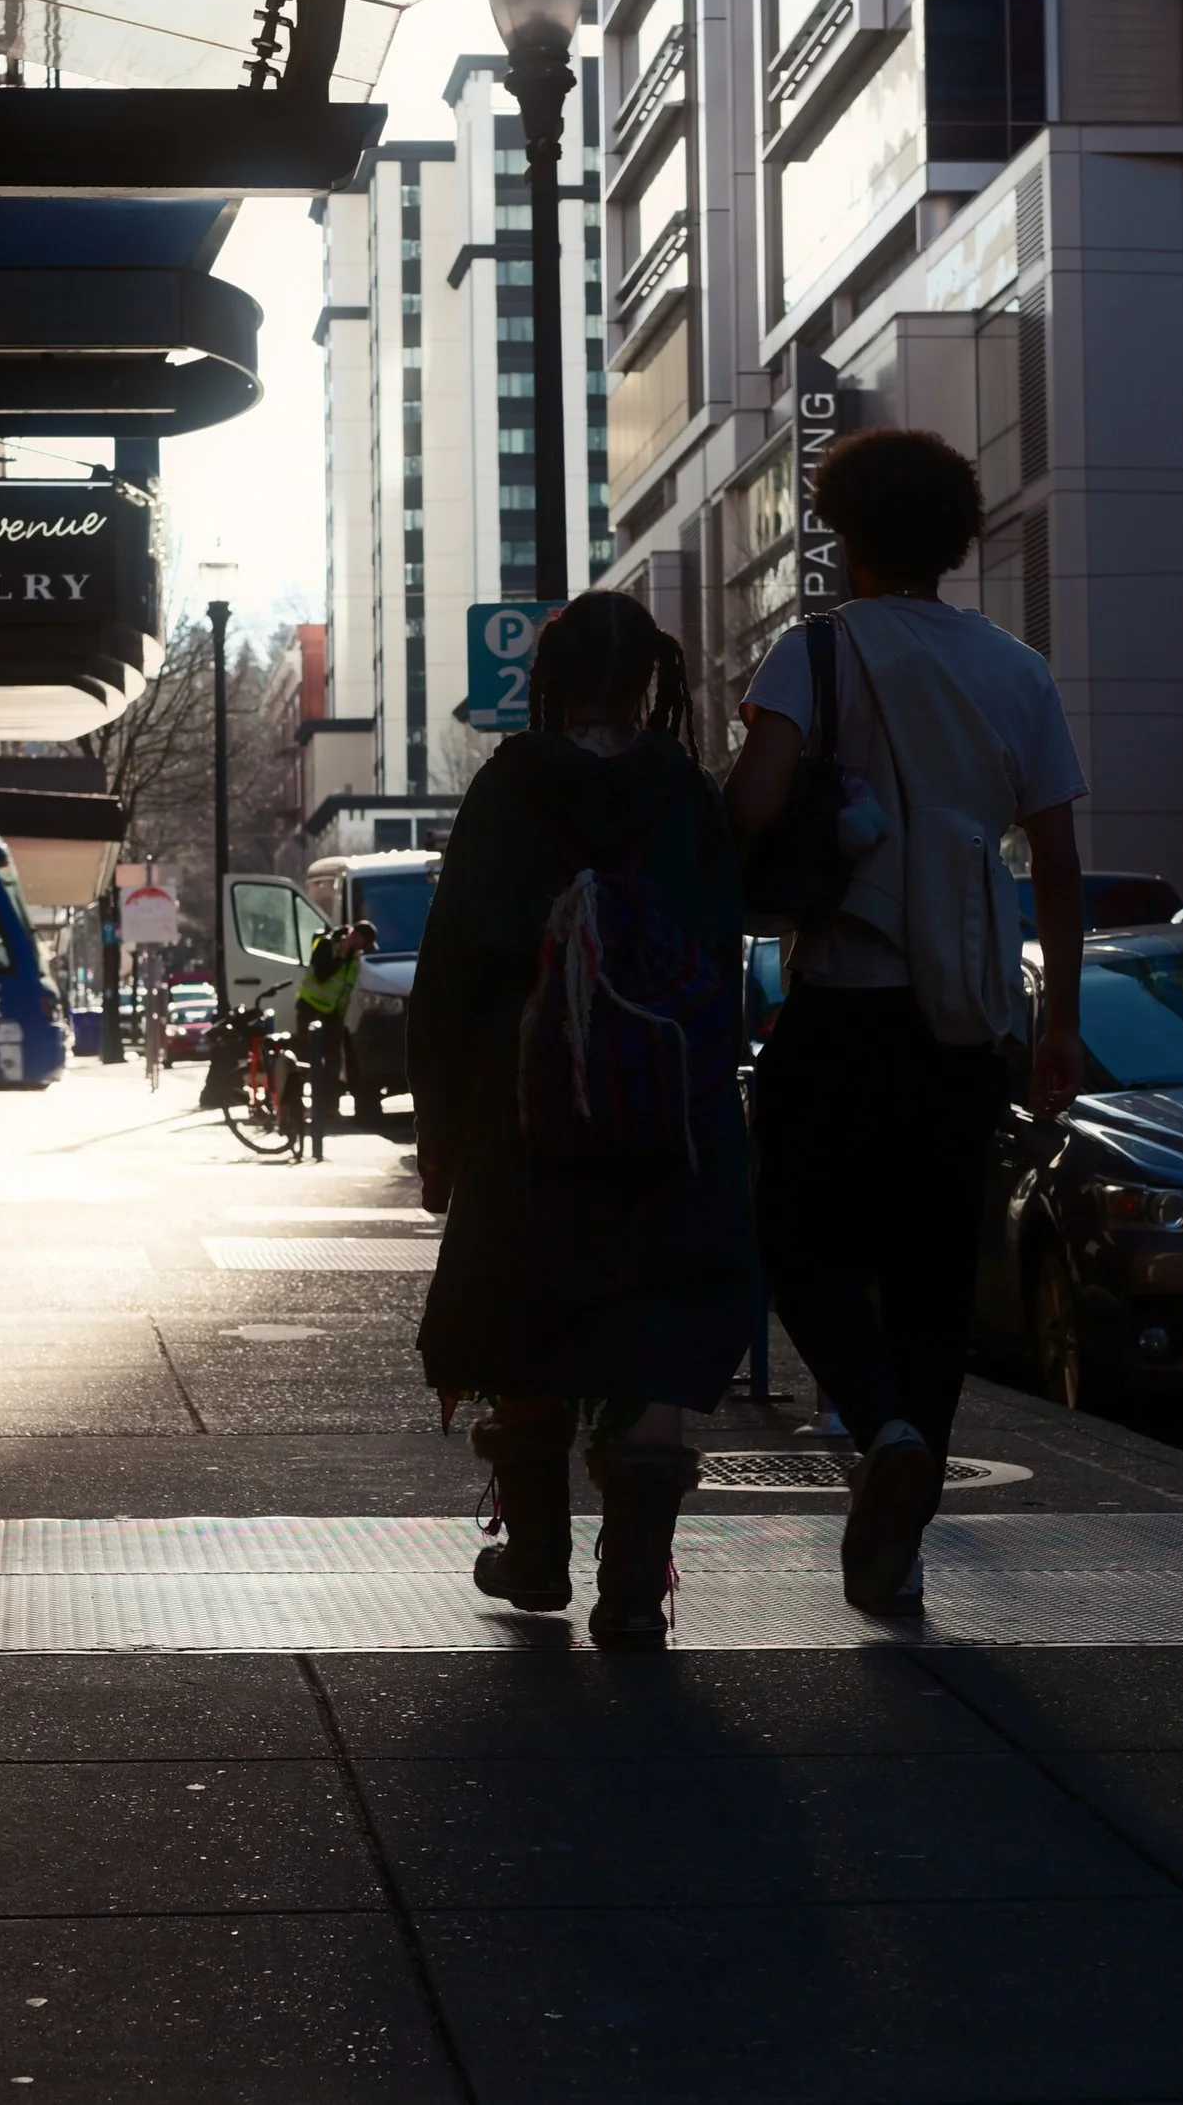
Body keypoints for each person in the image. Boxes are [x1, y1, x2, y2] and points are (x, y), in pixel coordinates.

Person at [724, 425, 1086, 1620]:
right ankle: (905, 1510)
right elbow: (1062, 861)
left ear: (841, 533)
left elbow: (756, 806)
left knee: (790, 1229)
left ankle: (875, 1422)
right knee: (935, 1273)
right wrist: (1055, 1026)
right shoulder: (1015, 669)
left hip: (839, 1004)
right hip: (965, 1021)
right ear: (954, 538)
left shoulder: (813, 654)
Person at [411, 592, 756, 1648]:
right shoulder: (688, 794)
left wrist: (440, 1140)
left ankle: (537, 1551)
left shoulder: (508, 787)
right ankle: (635, 1583)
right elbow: (719, 949)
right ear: (650, 682)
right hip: (669, 1114)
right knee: (654, 1323)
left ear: (546, 683)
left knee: (522, 1316)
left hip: (526, 1109)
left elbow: (449, 971)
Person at [294, 917, 374, 1161]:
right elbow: (321, 974)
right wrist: (340, 956)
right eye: (362, 942)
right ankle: (294, 1107)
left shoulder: (355, 957)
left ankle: (329, 1106)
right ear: (353, 936)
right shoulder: (327, 944)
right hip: (311, 1009)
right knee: (305, 1059)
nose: (362, 948)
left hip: (333, 1015)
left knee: (332, 1061)